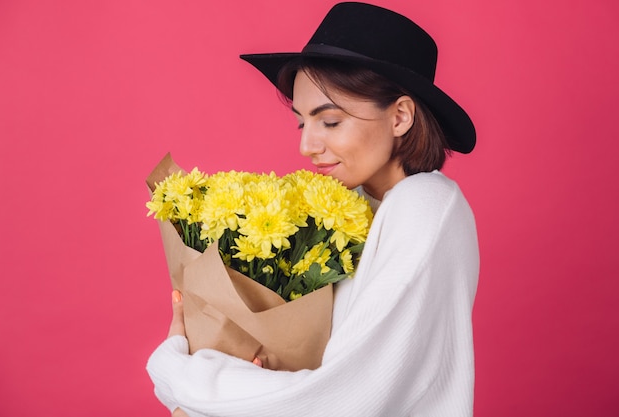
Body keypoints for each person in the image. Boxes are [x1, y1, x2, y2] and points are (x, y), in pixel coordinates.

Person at [147, 2, 479, 416]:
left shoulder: (425, 208)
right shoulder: (351, 213)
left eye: (331, 121)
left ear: (400, 116)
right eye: (303, 122)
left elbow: (345, 399)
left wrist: (179, 371)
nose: (307, 146)